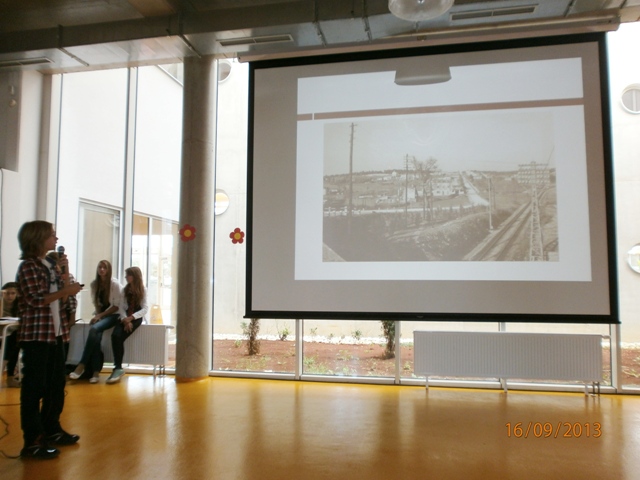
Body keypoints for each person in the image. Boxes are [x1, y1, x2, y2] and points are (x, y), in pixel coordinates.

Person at [15, 221, 83, 459]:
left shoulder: (51, 265)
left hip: (56, 333)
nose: (56, 238)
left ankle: (52, 429)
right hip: (37, 336)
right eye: (51, 235)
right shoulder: (28, 267)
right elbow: (34, 300)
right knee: (34, 388)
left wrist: (66, 276)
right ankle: (32, 441)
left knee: (56, 385)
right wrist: (65, 291)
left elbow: (62, 301)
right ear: (38, 238)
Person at [69, 260, 122, 383]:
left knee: (94, 329)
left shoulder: (114, 284)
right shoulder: (94, 284)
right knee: (95, 338)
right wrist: (98, 315)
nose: (102, 270)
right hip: (101, 315)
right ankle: (95, 373)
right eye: (100, 267)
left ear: (108, 270)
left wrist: (100, 316)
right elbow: (96, 303)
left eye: (104, 268)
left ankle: (81, 365)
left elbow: (116, 306)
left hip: (114, 315)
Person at [107, 266, 148, 384]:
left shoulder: (143, 290)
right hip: (125, 318)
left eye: (128, 275)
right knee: (115, 336)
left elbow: (145, 308)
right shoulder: (125, 290)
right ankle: (117, 367)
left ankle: (118, 368)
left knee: (119, 337)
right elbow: (121, 307)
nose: (126, 277)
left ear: (134, 276)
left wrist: (131, 318)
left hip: (136, 318)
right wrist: (125, 319)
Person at [2, 282, 21, 387]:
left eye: (13, 293)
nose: (10, 296)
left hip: (10, 334)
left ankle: (9, 376)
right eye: (7, 293)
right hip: (2, 333)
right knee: (13, 341)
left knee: (15, 340)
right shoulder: (1, 304)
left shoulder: (19, 306)